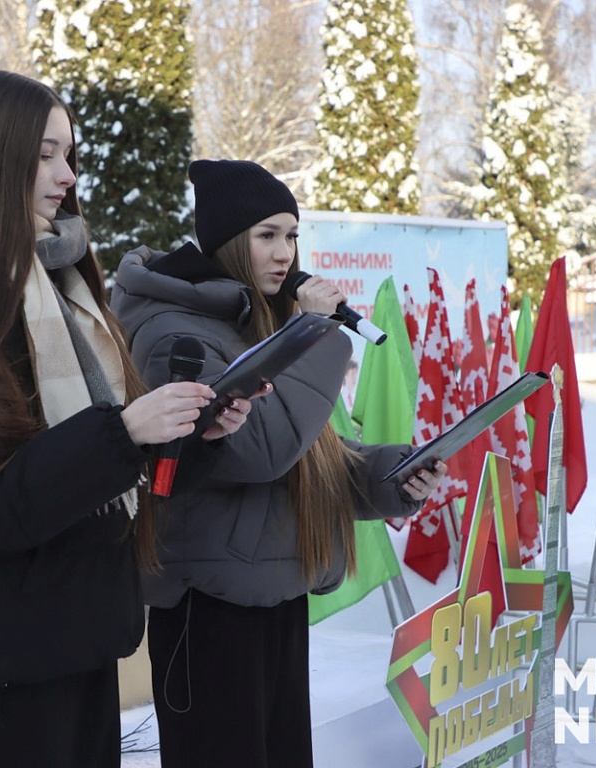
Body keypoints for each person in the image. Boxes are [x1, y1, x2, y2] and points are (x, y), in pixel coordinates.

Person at [0, 72, 255, 768]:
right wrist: (124, 432)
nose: (67, 175)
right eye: (44, 155)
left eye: (69, 154)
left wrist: (191, 435)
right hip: (3, 671)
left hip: (76, 642)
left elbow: (109, 485)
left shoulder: (62, 285)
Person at [110, 159, 446, 768]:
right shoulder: (174, 334)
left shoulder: (256, 320)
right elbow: (260, 451)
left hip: (276, 596)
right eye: (267, 235)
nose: (285, 252)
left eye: (292, 235)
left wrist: (394, 475)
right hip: (208, 608)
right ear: (227, 243)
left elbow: (312, 457)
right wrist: (316, 333)